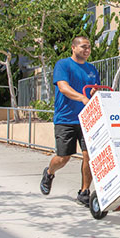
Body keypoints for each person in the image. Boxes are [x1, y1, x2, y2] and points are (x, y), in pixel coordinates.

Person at [40, 36, 100, 206]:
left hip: (87, 119)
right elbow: (63, 87)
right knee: (63, 157)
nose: (87, 50)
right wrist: (81, 97)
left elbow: (94, 90)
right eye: (83, 47)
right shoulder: (63, 65)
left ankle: (84, 192)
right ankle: (50, 172)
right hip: (65, 118)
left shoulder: (92, 69)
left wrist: (95, 93)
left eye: (88, 47)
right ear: (73, 48)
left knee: (89, 155)